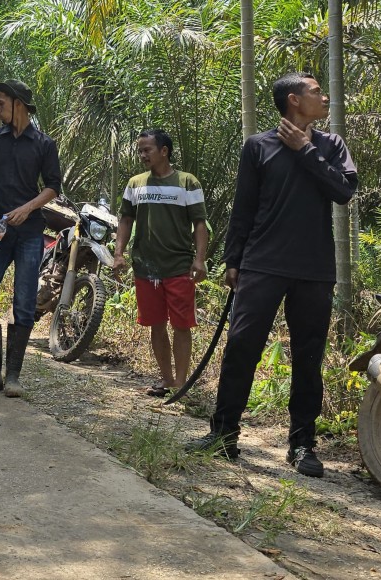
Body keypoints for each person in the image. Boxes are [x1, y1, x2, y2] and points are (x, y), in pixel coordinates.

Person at [186, 72, 358, 478]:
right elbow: (244, 206)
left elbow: (344, 191)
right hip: (262, 263)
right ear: (295, 100)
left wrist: (304, 150)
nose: (325, 97)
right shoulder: (257, 147)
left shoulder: (330, 145)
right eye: (317, 92)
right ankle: (224, 434)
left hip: (314, 269)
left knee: (308, 355)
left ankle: (302, 445)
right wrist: (233, 259)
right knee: (242, 346)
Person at [0, 79, 62, 398]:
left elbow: (52, 186)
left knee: (23, 303)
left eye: (3, 103)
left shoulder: (44, 144)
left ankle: (14, 376)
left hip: (30, 233)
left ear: (18, 104)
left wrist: (29, 207)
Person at [112, 130, 208, 398]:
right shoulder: (135, 184)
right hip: (145, 267)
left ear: (164, 151)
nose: (142, 155)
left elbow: (200, 223)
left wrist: (199, 259)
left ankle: (181, 382)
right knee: (156, 323)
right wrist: (119, 253)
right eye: (140, 150)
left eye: (147, 150)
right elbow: (126, 219)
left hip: (179, 266)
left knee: (181, 324)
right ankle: (167, 379)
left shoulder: (187, 183)